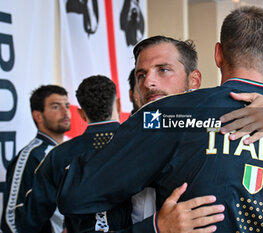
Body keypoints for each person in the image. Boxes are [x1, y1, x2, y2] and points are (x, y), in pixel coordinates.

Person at [57, 6, 263, 232]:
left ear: (218, 55)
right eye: (142, 74)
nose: (149, 83)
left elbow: (75, 196)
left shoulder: (165, 118)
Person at [16, 75, 224, 233]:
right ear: (118, 103)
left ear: (80, 112)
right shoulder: (144, 143)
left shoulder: (58, 155)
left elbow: (29, 221)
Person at [1, 85, 71, 233]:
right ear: (38, 116)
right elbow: (10, 220)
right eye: (56, 107)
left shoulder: (68, 151)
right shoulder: (30, 156)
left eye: (67, 106)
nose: (65, 112)